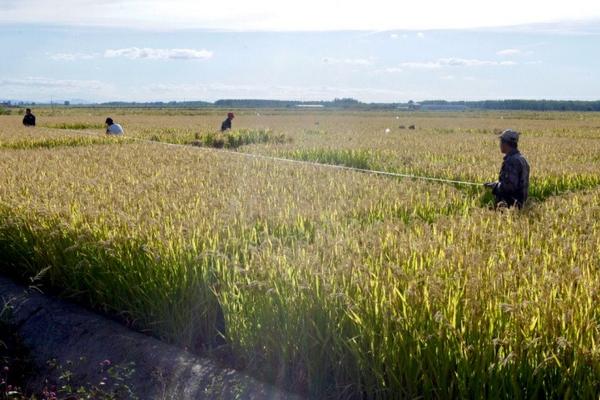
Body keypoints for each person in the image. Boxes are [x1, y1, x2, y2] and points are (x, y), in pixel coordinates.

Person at [485, 129, 530, 209]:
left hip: (510, 208)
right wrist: (495, 183)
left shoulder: (512, 161)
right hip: (520, 206)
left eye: (501, 142)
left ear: (505, 143)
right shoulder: (522, 159)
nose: (499, 145)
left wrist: (495, 186)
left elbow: (509, 187)